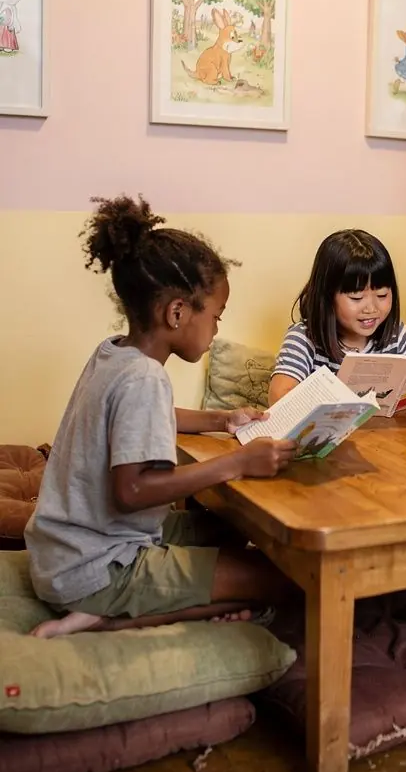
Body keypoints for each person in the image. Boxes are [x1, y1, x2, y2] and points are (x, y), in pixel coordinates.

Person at [26, 196, 296, 640]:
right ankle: (106, 620)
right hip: (97, 571)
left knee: (227, 528)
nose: (216, 330)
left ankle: (128, 604)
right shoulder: (145, 377)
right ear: (177, 312)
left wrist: (222, 420)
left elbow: (142, 418)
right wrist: (237, 462)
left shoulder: (114, 354)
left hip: (65, 551)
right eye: (216, 317)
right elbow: (132, 490)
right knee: (284, 580)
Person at [269, 229, 406, 406]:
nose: (371, 308)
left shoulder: (397, 335)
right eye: (356, 298)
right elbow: (278, 397)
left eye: (382, 295)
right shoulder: (304, 338)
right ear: (327, 296)